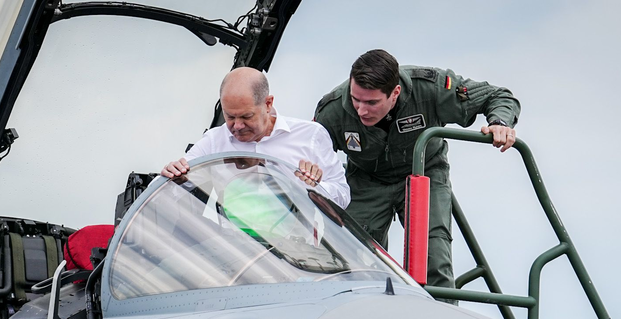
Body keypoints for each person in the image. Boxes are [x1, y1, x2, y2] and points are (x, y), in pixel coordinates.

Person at [314, 49, 521, 291]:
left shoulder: (430, 88)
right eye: (355, 100)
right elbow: (310, 150)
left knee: (433, 256)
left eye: (371, 102)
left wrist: (500, 123)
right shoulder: (333, 109)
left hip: (423, 173)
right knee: (353, 258)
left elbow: (498, 96)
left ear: (395, 93)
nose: (361, 110)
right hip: (367, 180)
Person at [162, 67, 350, 209]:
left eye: (246, 116)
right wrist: (171, 173)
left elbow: (342, 197)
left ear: (268, 104)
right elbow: (169, 186)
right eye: (229, 116)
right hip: (235, 249)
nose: (237, 126)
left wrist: (314, 187)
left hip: (299, 252)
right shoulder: (213, 141)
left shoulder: (310, 135)